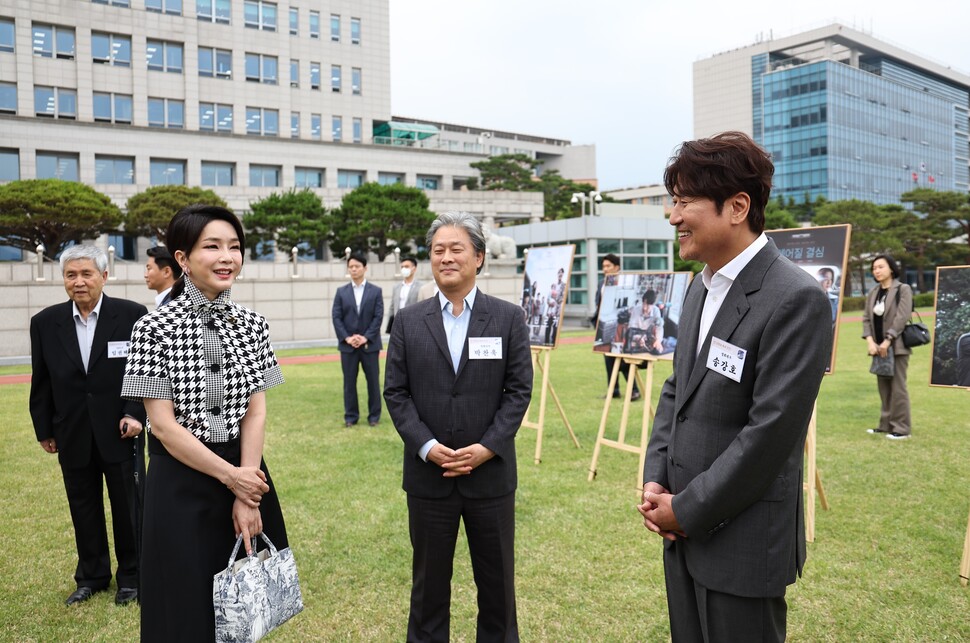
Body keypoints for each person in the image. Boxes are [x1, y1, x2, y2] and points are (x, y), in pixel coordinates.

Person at [637, 131, 832, 643]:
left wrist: (688, 508)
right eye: (672, 201)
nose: (672, 216)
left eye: (684, 202)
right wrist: (657, 477)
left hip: (741, 542)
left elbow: (769, 435)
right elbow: (678, 391)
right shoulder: (701, 285)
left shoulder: (795, 299)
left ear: (737, 206)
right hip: (680, 529)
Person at [121, 204, 289, 641]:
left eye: (234, 247)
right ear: (182, 258)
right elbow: (163, 426)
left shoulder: (253, 324)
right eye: (212, 246)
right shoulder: (153, 327)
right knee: (182, 607)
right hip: (182, 482)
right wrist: (233, 479)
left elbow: (256, 408)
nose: (226, 257)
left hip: (247, 472)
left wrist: (248, 491)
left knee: (243, 606)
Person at [384, 211, 533, 642]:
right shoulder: (410, 322)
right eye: (438, 250)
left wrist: (487, 446)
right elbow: (396, 393)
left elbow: (518, 391)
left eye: (457, 249)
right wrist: (427, 446)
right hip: (429, 479)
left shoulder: (508, 318)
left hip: (490, 477)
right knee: (428, 589)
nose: (446, 257)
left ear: (479, 257)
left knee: (498, 588)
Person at [29, 244, 148, 606]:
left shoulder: (131, 315)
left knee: (128, 508)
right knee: (83, 506)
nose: (78, 282)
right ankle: (92, 576)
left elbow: (142, 373)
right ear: (63, 279)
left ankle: (132, 576)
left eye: (86, 274)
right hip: (73, 431)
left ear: (104, 276)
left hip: (120, 430)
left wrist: (134, 414)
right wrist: (45, 429)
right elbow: (42, 379)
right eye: (71, 275)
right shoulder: (45, 323)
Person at [862, 254, 913, 439]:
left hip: (896, 347)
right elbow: (866, 319)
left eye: (881, 267)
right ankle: (885, 425)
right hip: (877, 348)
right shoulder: (874, 292)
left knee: (898, 388)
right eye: (874, 268)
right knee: (883, 388)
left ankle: (901, 428)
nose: (877, 270)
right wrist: (870, 342)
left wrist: (888, 340)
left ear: (891, 268)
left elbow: (902, 316)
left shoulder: (903, 289)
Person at [333, 252, 383, 427]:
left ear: (365, 268)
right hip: (348, 347)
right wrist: (347, 337)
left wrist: (365, 337)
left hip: (370, 345)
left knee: (373, 382)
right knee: (349, 383)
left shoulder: (376, 291)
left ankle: (374, 416)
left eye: (357, 266)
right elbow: (336, 317)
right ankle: (351, 417)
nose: (353, 269)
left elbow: (378, 317)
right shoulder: (341, 292)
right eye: (351, 267)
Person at [594, 253, 640, 400]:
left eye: (608, 266)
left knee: (623, 358)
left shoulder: (625, 283)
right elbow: (599, 303)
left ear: (617, 267)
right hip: (605, 325)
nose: (605, 269)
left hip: (622, 325)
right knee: (608, 357)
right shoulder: (601, 283)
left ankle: (634, 390)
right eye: (603, 266)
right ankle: (613, 390)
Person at [387, 255, 423, 334]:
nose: (404, 269)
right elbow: (392, 307)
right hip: (398, 325)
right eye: (402, 267)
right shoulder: (396, 287)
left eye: (406, 266)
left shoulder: (421, 287)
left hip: (414, 325)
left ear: (414, 269)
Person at [627, 289, 664, 354]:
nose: (644, 308)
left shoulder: (656, 311)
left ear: (653, 305)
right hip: (636, 338)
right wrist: (638, 338)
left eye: (647, 306)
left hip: (648, 338)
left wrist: (658, 340)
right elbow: (631, 328)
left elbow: (659, 328)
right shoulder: (636, 310)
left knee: (656, 351)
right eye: (644, 304)